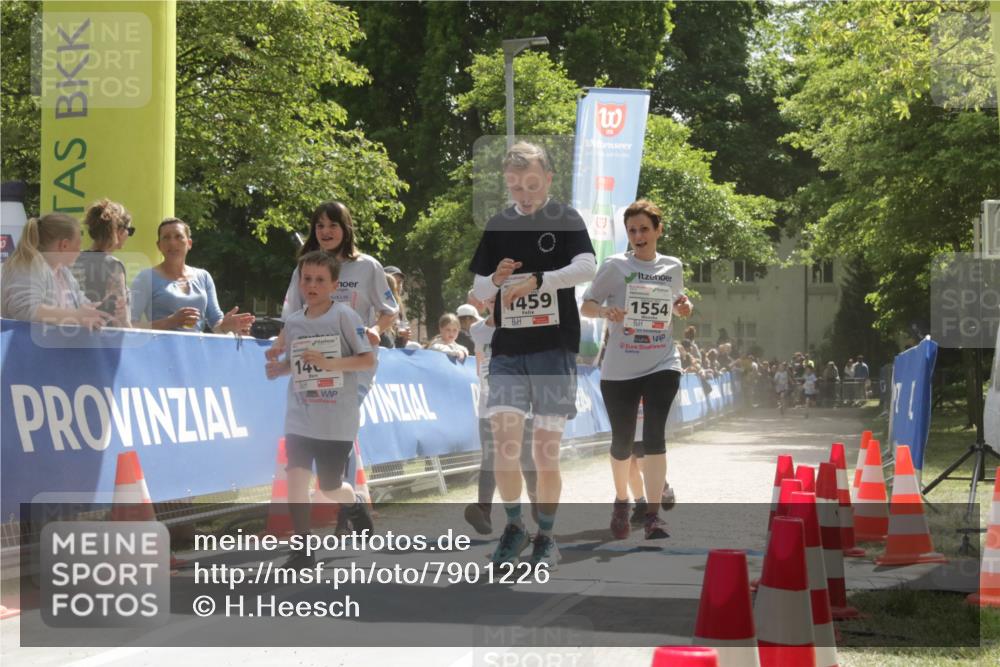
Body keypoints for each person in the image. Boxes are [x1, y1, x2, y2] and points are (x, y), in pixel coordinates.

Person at [469, 141, 596, 567]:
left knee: (544, 452)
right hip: (507, 349)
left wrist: (539, 280)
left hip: (552, 350)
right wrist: (497, 279)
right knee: (506, 444)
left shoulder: (565, 218)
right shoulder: (498, 224)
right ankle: (513, 526)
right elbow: (480, 291)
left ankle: (546, 535)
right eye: (515, 186)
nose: (524, 194)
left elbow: (586, 267)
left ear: (547, 179)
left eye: (531, 184)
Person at [581, 199, 692, 540]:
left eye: (645, 229)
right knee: (623, 443)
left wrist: (685, 306)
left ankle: (654, 516)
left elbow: (679, 304)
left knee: (655, 436)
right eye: (632, 231)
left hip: (662, 361)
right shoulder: (614, 265)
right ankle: (621, 500)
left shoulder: (672, 266)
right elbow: (587, 305)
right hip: (620, 367)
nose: (638, 236)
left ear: (659, 230)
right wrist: (605, 313)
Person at [265, 251, 376, 568]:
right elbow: (298, 364)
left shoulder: (344, 316)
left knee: (328, 486)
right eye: (307, 279)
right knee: (297, 478)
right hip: (300, 415)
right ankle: (302, 549)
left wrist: (331, 364)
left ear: (334, 285)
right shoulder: (295, 321)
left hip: (336, 419)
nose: (311, 285)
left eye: (319, 280)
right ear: (299, 282)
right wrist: (280, 369)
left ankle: (353, 503)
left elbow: (367, 359)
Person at [464, 294, 538, 535]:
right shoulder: (477, 329)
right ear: (486, 303)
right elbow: (479, 359)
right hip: (487, 401)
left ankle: (537, 502)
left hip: (517, 401)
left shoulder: (520, 325)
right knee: (490, 455)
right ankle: (483, 509)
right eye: (492, 301)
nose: (497, 305)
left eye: (501, 300)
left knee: (524, 455)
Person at [131, 218, 254, 334]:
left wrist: (227, 326)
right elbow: (129, 326)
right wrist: (169, 322)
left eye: (178, 236)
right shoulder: (145, 278)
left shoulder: (203, 277)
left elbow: (216, 323)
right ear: (159, 246)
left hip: (195, 352)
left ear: (189, 243)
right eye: (166, 238)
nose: (172, 242)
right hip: (159, 352)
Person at [1, 212, 111, 329]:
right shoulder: (29, 265)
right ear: (64, 245)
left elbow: (81, 304)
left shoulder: (63, 273)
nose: (80, 251)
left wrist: (103, 309)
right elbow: (24, 309)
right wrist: (76, 316)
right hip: (23, 346)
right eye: (78, 245)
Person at [73, 199, 134, 327]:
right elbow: (119, 319)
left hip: (70, 334)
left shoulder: (72, 259)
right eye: (130, 230)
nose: (128, 234)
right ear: (119, 230)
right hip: (102, 338)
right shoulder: (113, 265)